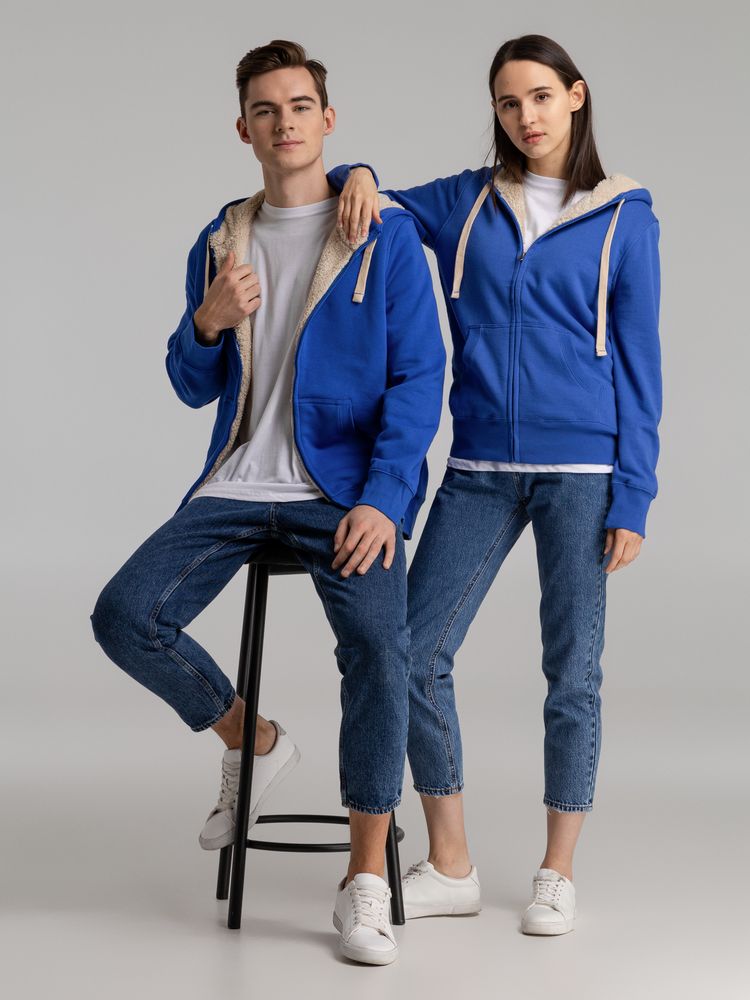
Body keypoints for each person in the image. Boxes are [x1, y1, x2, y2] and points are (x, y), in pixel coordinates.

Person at [90, 39, 445, 966]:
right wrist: (205, 324)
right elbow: (191, 385)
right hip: (237, 484)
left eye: (298, 106)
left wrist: (385, 501)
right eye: (265, 110)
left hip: (344, 495)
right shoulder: (221, 241)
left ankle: (365, 879)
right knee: (124, 615)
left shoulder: (382, 233)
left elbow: (419, 381)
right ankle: (253, 740)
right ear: (242, 128)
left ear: (328, 119)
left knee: (381, 650)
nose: (283, 123)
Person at [329, 32, 662, 935]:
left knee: (572, 672)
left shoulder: (626, 217)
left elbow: (641, 366)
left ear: (576, 96)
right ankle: (453, 863)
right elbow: (374, 199)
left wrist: (635, 494)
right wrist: (359, 167)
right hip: (478, 466)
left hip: (584, 472)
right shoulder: (468, 201)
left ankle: (557, 871)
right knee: (410, 650)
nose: (526, 117)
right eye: (509, 103)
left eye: (541, 97)